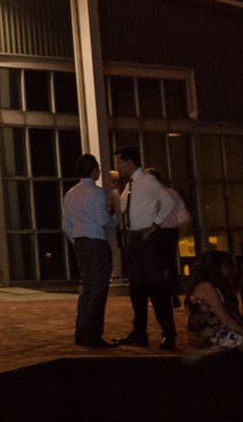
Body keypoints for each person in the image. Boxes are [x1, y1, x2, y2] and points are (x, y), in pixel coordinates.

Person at [114, 146, 181, 350]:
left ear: (129, 162)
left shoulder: (148, 181)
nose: (117, 167)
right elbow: (121, 207)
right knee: (137, 288)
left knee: (156, 287)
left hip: (147, 238)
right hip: (135, 238)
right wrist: (112, 190)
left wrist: (155, 224)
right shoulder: (132, 184)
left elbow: (168, 202)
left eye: (119, 162)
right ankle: (140, 332)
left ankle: (169, 334)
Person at [62, 154, 117, 348]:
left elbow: (66, 224)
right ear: (94, 170)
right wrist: (115, 219)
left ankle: (81, 332)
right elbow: (102, 220)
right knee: (99, 289)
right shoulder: (97, 193)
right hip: (95, 243)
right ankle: (93, 335)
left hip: (80, 243)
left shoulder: (70, 193)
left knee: (87, 289)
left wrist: (77, 241)